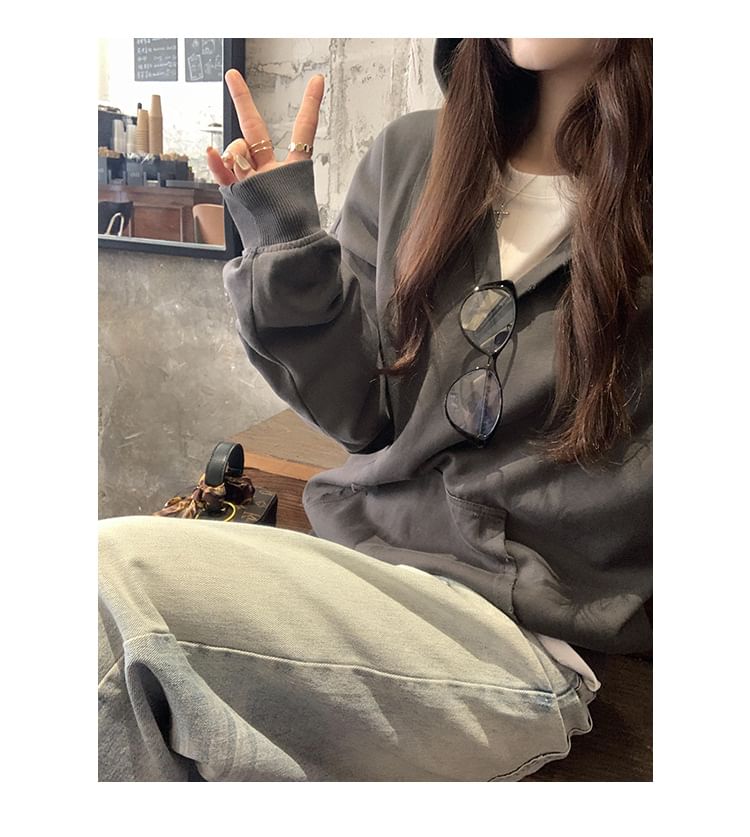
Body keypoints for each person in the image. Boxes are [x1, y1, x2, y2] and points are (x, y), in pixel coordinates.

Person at [98, 38, 652, 781]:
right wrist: (285, 238)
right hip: (370, 569)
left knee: (111, 589)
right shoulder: (413, 157)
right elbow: (364, 416)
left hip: (538, 632)